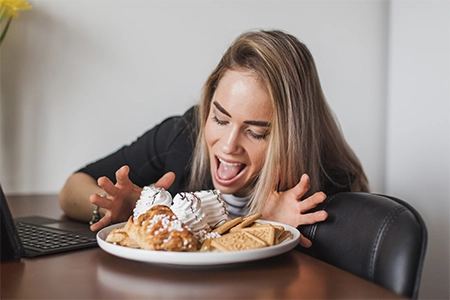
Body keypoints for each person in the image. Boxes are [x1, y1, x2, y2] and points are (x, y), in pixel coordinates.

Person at [59, 29, 369, 248]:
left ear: (294, 136)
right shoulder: (184, 134)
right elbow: (72, 188)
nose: (228, 144)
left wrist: (275, 231)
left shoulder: (330, 186)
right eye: (220, 118)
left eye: (256, 132)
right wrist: (124, 213)